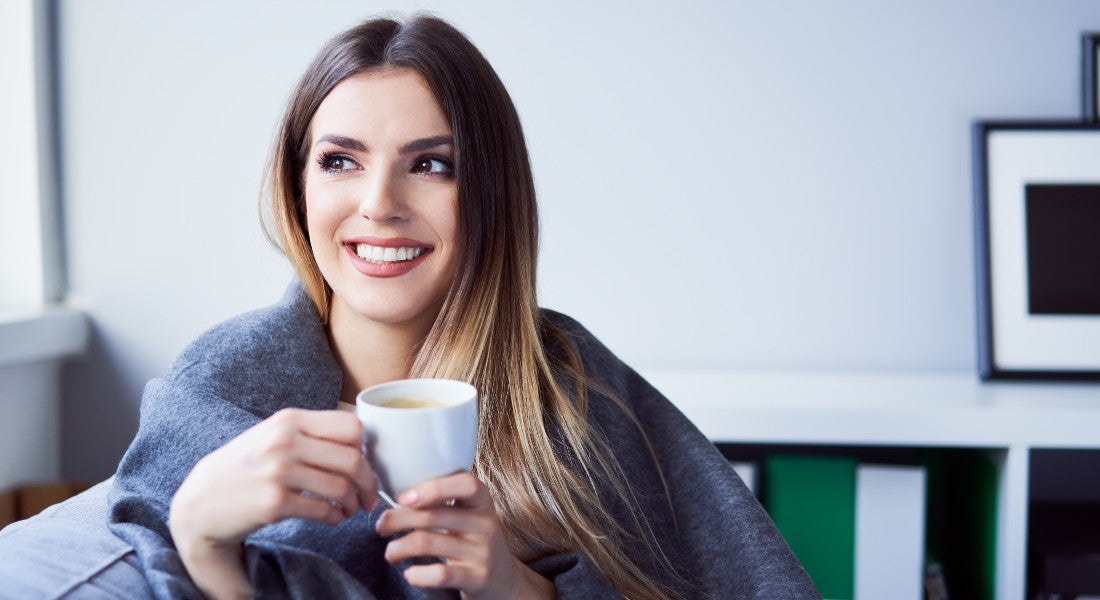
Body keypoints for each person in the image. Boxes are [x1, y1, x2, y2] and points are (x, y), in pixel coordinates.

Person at [105, 14, 819, 600]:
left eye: (431, 164)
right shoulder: (219, 392)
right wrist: (201, 535)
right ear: (298, 190)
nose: (379, 204)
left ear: (488, 195)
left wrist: (513, 586)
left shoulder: (573, 392)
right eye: (340, 161)